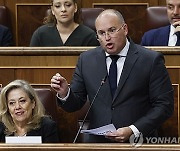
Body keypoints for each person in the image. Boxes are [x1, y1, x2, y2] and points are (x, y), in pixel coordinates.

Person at [51, 9, 174, 143]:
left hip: (138, 142)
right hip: (98, 144)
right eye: (101, 33)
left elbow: (164, 106)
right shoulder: (86, 60)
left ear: (125, 29)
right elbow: (74, 104)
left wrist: (133, 130)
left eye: (112, 30)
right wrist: (65, 93)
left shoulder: (150, 60)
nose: (107, 38)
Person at [30, 0, 99, 46]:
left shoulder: (89, 35)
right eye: (57, 6)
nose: (63, 9)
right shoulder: (40, 34)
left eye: (68, 5)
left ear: (75, 8)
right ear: (53, 10)